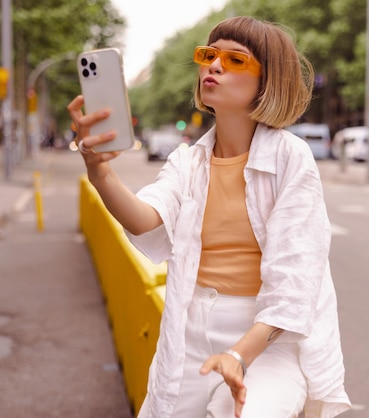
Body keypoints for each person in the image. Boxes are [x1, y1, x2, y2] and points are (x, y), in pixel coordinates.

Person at [68, 16, 350, 418]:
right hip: (190, 330)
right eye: (209, 55)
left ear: (268, 82)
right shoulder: (188, 160)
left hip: (268, 339)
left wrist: (239, 354)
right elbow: (145, 218)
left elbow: (294, 286)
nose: (214, 66)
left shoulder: (291, 158)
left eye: (235, 60)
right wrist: (100, 171)